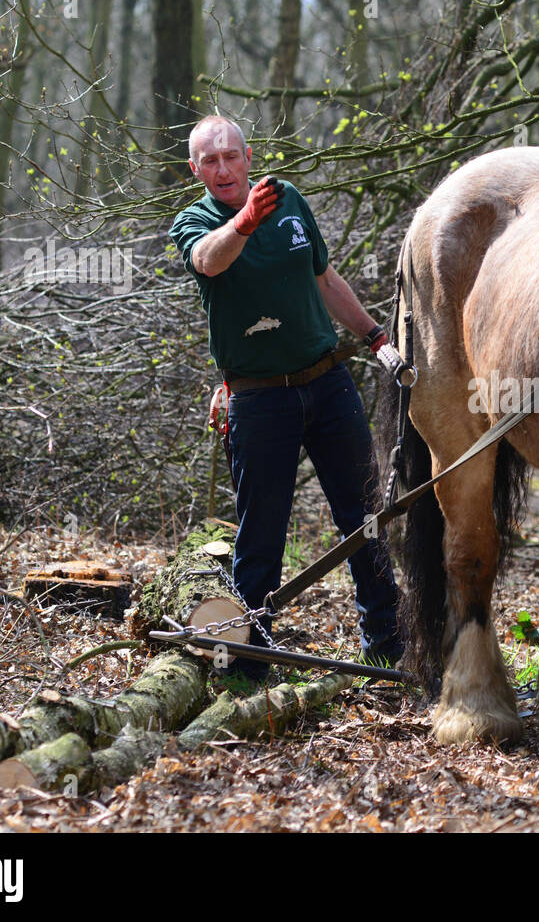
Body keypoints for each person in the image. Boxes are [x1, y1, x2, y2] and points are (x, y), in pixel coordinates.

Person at [169, 115, 402, 677]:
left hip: (326, 382)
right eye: (210, 160)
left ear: (247, 158)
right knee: (261, 533)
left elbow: (325, 280)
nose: (223, 168)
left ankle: (390, 646)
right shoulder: (195, 220)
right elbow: (209, 260)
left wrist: (376, 338)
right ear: (195, 170)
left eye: (231, 156)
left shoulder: (288, 198)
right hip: (258, 400)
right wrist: (246, 221)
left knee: (365, 519)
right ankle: (248, 664)